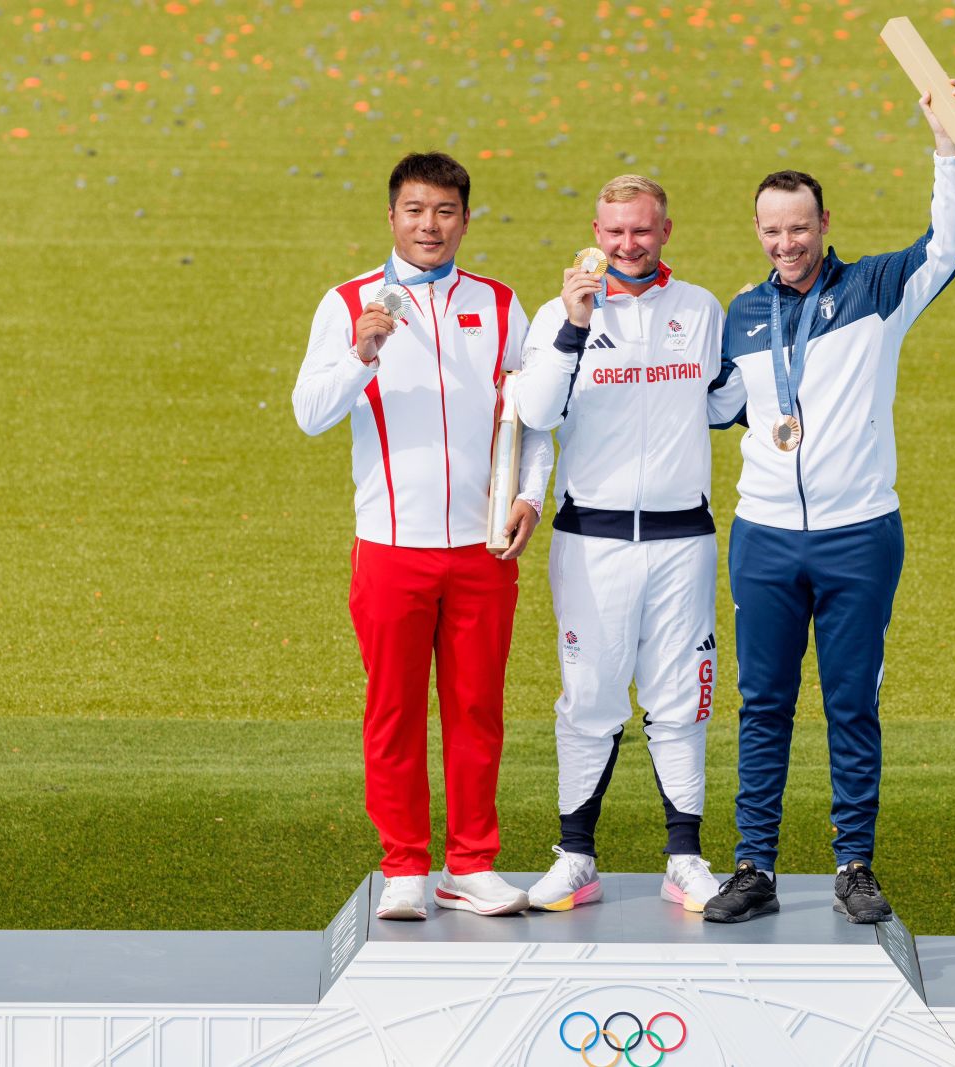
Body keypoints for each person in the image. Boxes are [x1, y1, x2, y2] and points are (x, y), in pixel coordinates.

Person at [702, 84, 955, 924]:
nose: (787, 241)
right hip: (765, 537)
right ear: (759, 231)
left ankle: (853, 862)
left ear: (824, 224)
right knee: (766, 703)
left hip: (860, 533)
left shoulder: (878, 290)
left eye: (800, 226)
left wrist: (945, 146)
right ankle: (755, 865)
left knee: (852, 699)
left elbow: (948, 246)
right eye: (773, 228)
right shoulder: (742, 315)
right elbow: (709, 405)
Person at [292, 151, 553, 921]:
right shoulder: (347, 305)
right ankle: (404, 864)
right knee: (394, 708)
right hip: (390, 546)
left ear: (465, 218)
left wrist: (530, 500)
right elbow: (310, 412)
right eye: (414, 210)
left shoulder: (503, 306)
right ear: (392, 216)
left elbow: (533, 419)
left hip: (482, 549)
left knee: (477, 708)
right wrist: (360, 354)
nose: (429, 225)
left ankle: (469, 864)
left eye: (444, 211)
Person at [513, 175, 736, 912]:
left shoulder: (700, 308)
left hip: (683, 537)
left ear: (665, 230)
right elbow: (536, 410)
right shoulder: (556, 313)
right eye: (614, 232)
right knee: (590, 698)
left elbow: (726, 401)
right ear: (595, 231)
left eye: (641, 231)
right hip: (592, 536)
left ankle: (685, 858)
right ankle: (576, 855)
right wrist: (576, 327)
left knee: (683, 699)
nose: (627, 244)